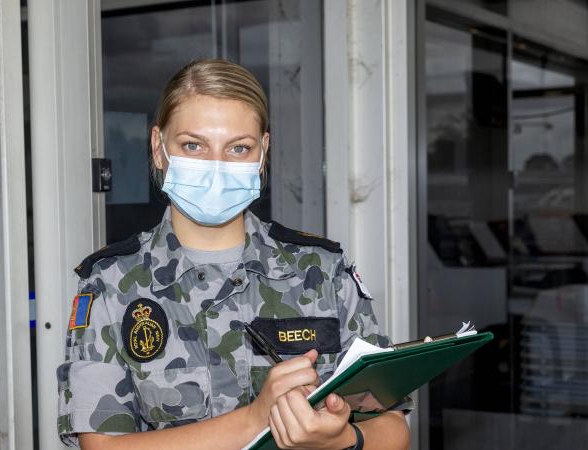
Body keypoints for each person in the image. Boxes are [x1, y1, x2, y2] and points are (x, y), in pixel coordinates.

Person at [57, 59, 411, 450]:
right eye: (193, 145)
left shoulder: (322, 272)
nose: (216, 167)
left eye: (239, 148)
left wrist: (341, 438)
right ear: (158, 148)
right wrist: (256, 419)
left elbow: (392, 426)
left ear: (263, 152)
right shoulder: (111, 284)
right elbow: (102, 446)